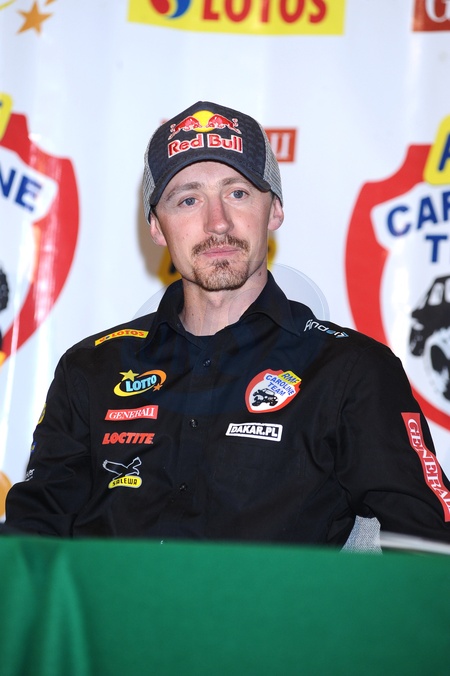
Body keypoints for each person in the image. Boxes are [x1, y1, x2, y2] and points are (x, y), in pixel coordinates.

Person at [3, 100, 450, 546]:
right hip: (108, 597)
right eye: (188, 199)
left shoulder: (352, 370)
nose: (217, 223)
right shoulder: (89, 370)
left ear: (274, 209)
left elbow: (428, 547)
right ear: (157, 227)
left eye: (237, 193)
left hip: (273, 598)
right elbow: (29, 540)